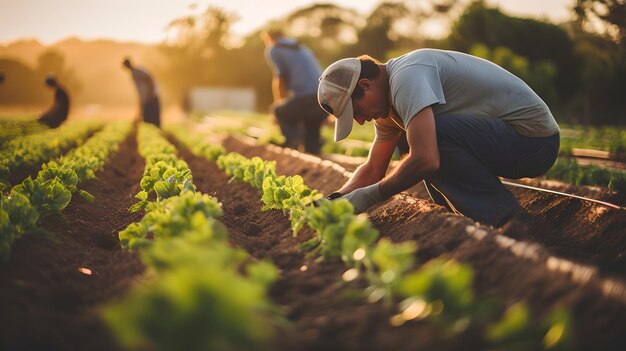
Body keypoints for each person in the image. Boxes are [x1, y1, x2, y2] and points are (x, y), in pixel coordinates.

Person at [317, 49, 560, 227]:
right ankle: (468, 215)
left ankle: (505, 217)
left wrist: (368, 196)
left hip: (533, 141)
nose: (360, 121)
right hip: (506, 141)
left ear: (366, 85)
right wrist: (338, 198)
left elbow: (426, 159)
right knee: (415, 137)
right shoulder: (386, 107)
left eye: (356, 112)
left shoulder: (407, 77)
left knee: (428, 139)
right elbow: (373, 168)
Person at [262, 29, 328, 154]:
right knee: (311, 146)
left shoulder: (274, 49)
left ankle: (293, 141)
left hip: (306, 100)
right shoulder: (301, 46)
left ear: (269, 39)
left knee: (278, 111)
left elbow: (280, 80)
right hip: (324, 99)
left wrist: (280, 105)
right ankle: (313, 145)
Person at [122, 57, 161, 127]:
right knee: (147, 120)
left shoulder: (138, 71)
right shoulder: (133, 74)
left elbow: (150, 79)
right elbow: (140, 92)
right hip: (146, 99)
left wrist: (149, 94)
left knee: (154, 120)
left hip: (152, 97)